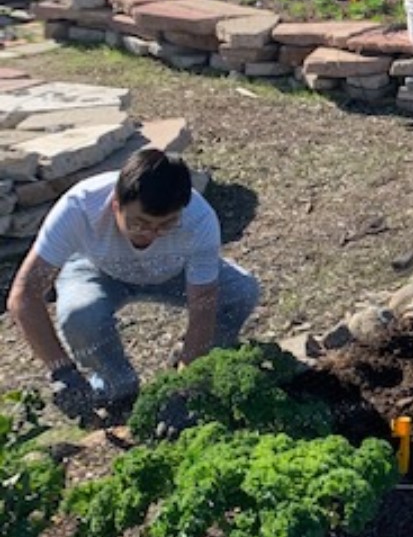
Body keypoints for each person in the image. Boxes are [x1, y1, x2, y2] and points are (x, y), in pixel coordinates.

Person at [7, 148, 260, 422]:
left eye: (166, 225)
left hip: (172, 271)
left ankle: (195, 361)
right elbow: (25, 295)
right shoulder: (78, 208)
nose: (151, 234)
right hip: (96, 267)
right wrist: (62, 371)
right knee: (81, 316)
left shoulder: (199, 219)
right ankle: (116, 388)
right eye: (140, 223)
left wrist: (185, 388)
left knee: (240, 292)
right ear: (116, 205)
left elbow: (204, 305)